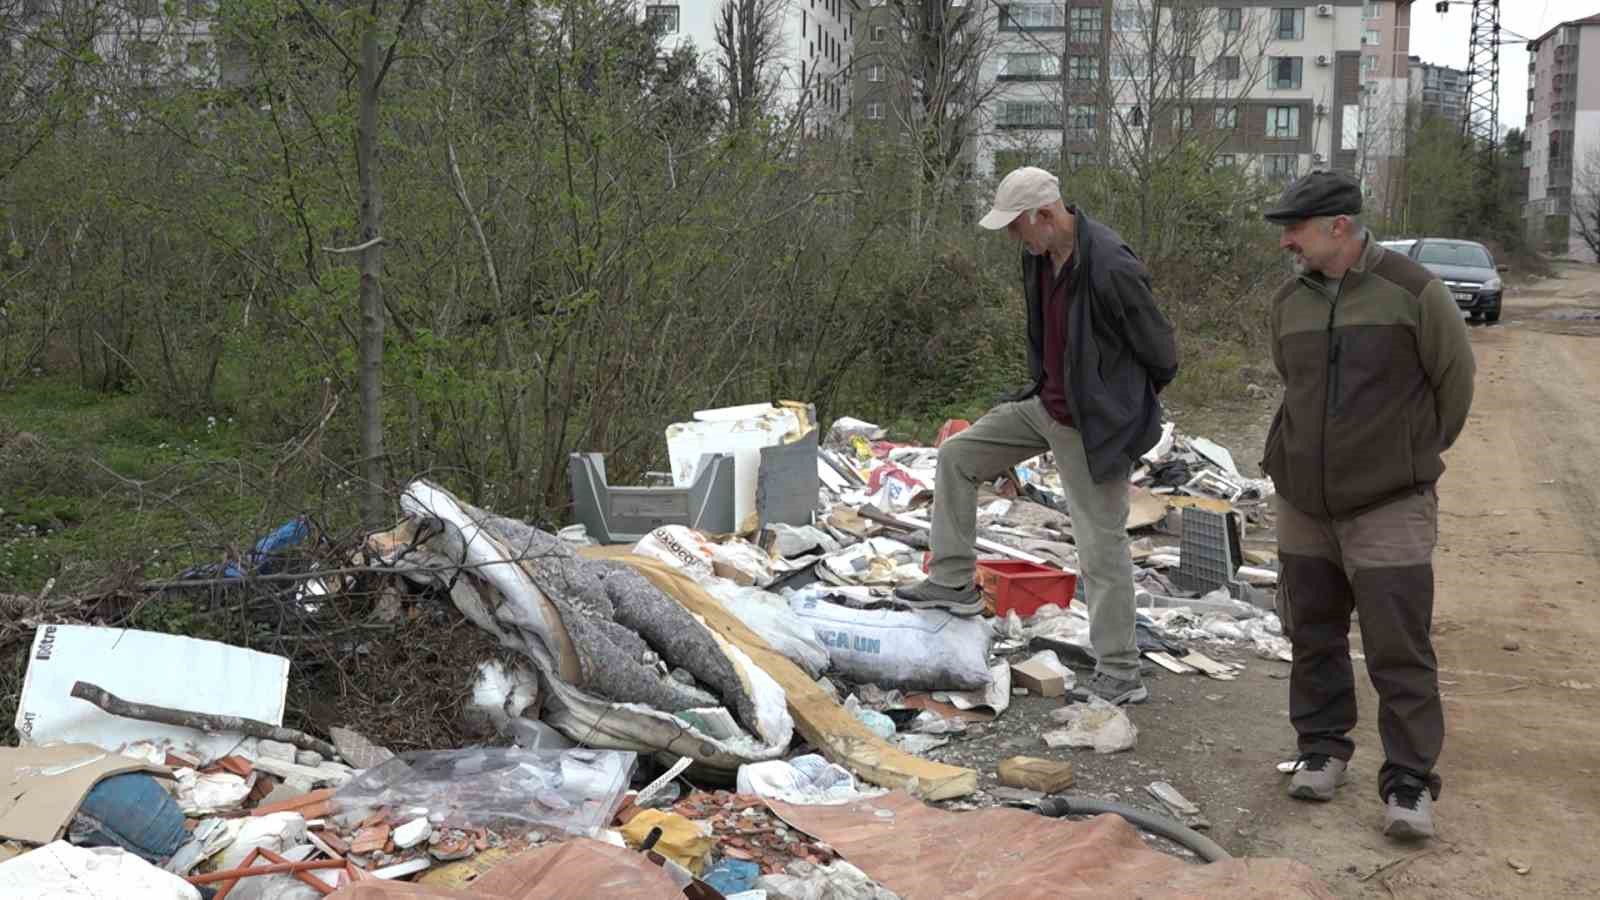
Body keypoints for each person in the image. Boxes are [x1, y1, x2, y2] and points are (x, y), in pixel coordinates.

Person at [894, 166, 1179, 706]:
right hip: (1043, 404)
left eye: (1015, 226)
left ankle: (1121, 671)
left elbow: (1161, 353)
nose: (1011, 238)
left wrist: (1113, 404)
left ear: (1046, 216)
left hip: (1092, 423)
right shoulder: (1039, 258)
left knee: (1100, 544)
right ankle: (952, 581)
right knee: (957, 455)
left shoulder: (1111, 266)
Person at [1260, 171, 1475, 840]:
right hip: (1304, 503)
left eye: (1295, 229)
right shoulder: (1288, 303)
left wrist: (1406, 459)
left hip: (1388, 505)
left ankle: (1409, 783)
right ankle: (1322, 749)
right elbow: (1290, 385)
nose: (1287, 242)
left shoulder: (1414, 292)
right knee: (1312, 632)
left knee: (1397, 645)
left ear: (1339, 227)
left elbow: (1455, 384)